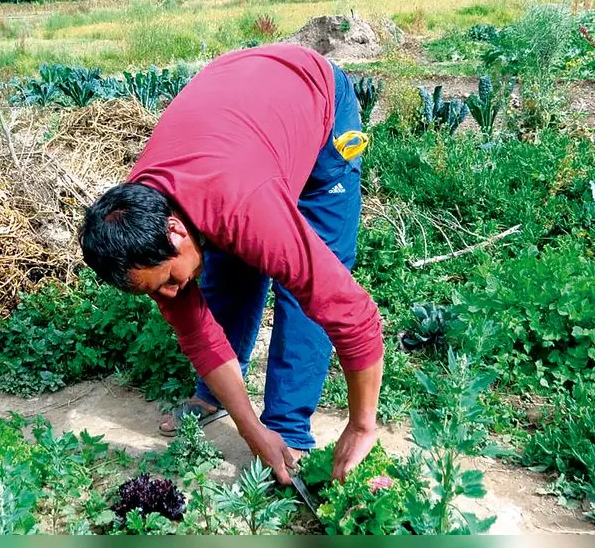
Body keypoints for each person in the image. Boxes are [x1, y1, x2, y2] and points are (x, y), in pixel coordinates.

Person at [78, 43, 384, 485]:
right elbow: (196, 331)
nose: (167, 296)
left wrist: (361, 426)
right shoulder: (136, 221)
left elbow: (351, 314)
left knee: (308, 285)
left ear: (176, 231)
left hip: (315, 100)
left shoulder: (243, 204)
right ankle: (218, 397)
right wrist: (247, 426)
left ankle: (287, 425)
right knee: (226, 273)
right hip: (238, 115)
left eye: (164, 283)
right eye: (153, 290)